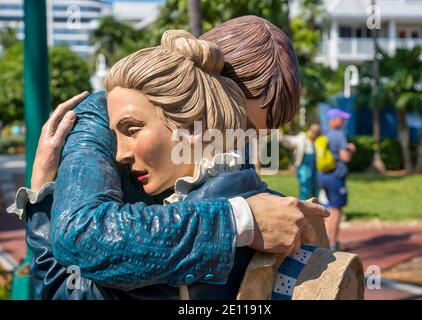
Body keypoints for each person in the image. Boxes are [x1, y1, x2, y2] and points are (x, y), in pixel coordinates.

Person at [8, 17, 327, 299]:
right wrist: (239, 221)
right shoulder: (100, 118)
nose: (236, 142)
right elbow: (84, 235)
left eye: (256, 134)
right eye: (241, 124)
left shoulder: (215, 149)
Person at [318, 109, 356, 251]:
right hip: (336, 177)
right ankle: (332, 243)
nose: (344, 121)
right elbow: (345, 157)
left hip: (323, 176)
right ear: (333, 120)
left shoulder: (325, 134)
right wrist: (351, 149)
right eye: (341, 118)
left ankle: (328, 240)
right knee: (336, 210)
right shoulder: (339, 135)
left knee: (328, 209)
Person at [280, 123, 321, 200]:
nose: (314, 133)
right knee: (304, 189)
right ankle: (304, 205)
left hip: (315, 169)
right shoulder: (302, 138)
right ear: (309, 130)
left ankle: (314, 208)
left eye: (316, 132)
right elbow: (290, 141)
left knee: (315, 189)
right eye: (313, 131)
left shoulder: (318, 141)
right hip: (304, 167)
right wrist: (281, 137)